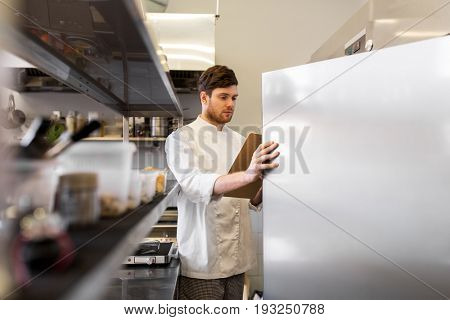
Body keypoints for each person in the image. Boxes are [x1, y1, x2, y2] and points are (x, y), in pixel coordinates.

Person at [165, 65, 279, 300]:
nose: (231, 104)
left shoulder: (240, 140)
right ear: (204, 97)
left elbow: (248, 198)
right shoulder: (180, 138)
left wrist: (269, 183)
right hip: (202, 263)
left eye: (234, 98)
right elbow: (194, 184)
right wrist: (248, 174)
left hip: (237, 262)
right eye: (223, 97)